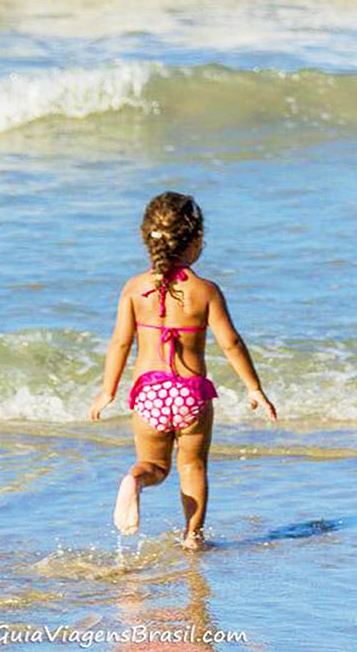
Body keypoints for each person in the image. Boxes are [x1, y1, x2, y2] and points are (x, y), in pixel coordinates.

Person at [89, 191, 277, 549]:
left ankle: (135, 480)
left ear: (148, 239)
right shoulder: (205, 291)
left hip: (149, 395)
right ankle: (193, 537)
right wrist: (254, 388)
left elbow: (119, 343)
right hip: (190, 394)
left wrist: (107, 391)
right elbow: (231, 343)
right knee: (193, 467)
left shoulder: (133, 288)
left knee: (154, 466)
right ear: (197, 242)